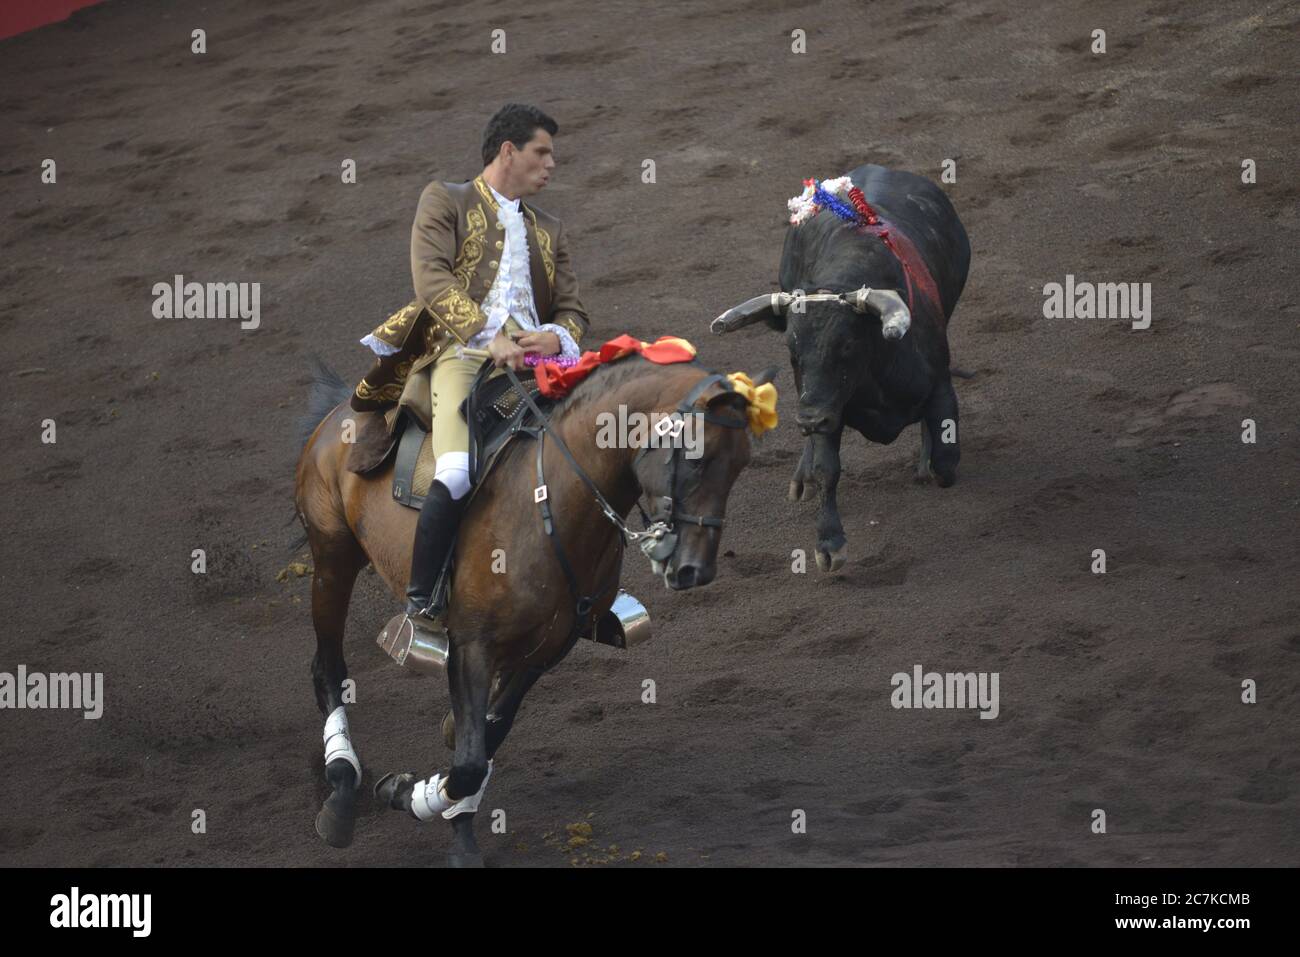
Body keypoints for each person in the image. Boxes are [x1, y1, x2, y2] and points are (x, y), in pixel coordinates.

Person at [356, 103, 590, 649]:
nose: (551, 164)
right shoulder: (446, 199)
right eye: (541, 152)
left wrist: (555, 338)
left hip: (541, 366)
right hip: (461, 356)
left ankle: (595, 591)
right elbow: (433, 282)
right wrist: (492, 335)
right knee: (458, 469)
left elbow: (574, 309)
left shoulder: (549, 228)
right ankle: (423, 607)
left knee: (592, 451)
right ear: (508, 151)